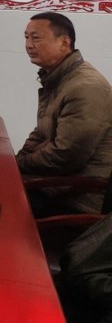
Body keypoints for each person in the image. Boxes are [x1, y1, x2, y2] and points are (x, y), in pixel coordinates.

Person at [17, 12, 112, 216]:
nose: (28, 45)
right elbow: (41, 132)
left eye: (36, 38)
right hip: (55, 183)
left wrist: (20, 164)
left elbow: (66, 155)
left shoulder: (86, 87)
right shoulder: (59, 77)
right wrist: (17, 161)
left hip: (76, 198)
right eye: (26, 37)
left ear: (64, 43)